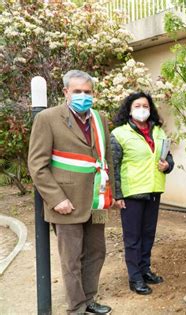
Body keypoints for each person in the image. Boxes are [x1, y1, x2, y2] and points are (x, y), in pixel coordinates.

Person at [28, 70, 114, 314]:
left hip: (96, 200)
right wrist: (57, 199)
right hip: (66, 202)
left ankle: (89, 300)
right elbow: (37, 165)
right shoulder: (48, 118)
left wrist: (112, 195)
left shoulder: (100, 119)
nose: (83, 96)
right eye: (77, 92)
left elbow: (105, 160)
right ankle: (76, 307)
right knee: (72, 259)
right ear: (66, 92)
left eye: (87, 92)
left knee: (97, 252)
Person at [111, 92, 174, 295]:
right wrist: (117, 195)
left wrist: (168, 165)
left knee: (148, 234)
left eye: (145, 106)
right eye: (137, 106)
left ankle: (145, 270)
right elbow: (113, 167)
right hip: (132, 193)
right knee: (133, 238)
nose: (142, 109)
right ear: (129, 109)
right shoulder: (119, 134)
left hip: (154, 190)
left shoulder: (158, 132)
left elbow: (168, 158)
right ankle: (135, 277)